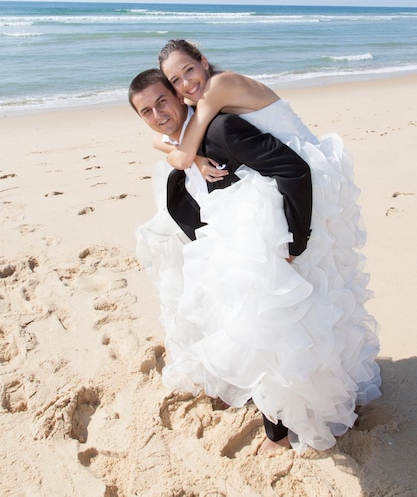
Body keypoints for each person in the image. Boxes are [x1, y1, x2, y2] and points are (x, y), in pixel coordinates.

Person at [129, 67, 381, 454]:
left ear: (181, 97)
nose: (157, 114)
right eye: (146, 111)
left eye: (163, 100)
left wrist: (295, 241)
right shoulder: (181, 142)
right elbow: (167, 145)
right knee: (262, 336)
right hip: (225, 254)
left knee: (271, 338)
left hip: (260, 254)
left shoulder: (221, 130)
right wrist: (192, 158)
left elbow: (293, 170)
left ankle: (279, 434)